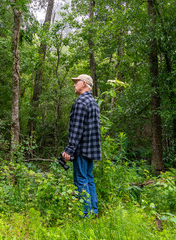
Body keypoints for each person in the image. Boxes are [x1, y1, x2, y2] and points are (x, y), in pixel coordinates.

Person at [62, 74, 101, 217]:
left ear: (84, 83)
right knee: (89, 178)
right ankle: (93, 212)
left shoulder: (81, 102)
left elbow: (77, 129)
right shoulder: (93, 102)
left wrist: (69, 150)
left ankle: (85, 214)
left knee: (81, 180)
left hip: (82, 149)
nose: (74, 85)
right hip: (91, 149)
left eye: (76, 82)